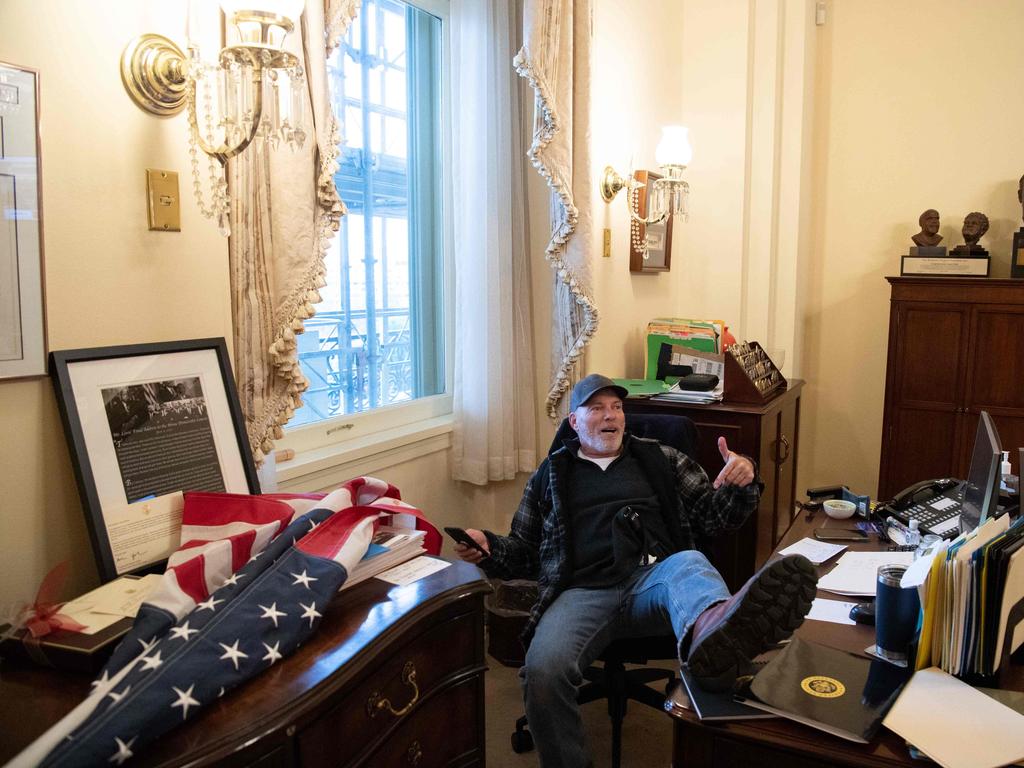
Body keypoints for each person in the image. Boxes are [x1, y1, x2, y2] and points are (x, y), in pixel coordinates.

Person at [453, 373, 817, 767]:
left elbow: (716, 519)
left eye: (617, 407)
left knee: (690, 563)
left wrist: (741, 480)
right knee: (542, 672)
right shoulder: (550, 476)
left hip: (656, 580)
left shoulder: (660, 458)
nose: (611, 416)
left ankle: (716, 636)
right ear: (574, 422)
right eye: (597, 408)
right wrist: (488, 547)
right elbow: (524, 551)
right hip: (581, 592)